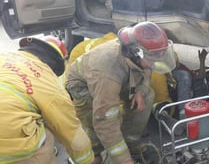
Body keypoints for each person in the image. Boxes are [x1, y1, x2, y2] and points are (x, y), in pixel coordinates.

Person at [66, 22, 176, 164]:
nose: (154, 63)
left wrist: (140, 91)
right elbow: (105, 122)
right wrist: (124, 160)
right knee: (104, 119)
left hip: (121, 75)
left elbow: (147, 68)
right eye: (152, 58)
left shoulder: (138, 55)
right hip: (83, 86)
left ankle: (131, 143)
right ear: (136, 54)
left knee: (147, 95)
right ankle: (93, 153)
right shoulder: (107, 73)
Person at [0, 36, 94, 164]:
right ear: (55, 64)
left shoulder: (5, 56)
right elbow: (73, 135)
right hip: (9, 142)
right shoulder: (49, 83)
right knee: (47, 136)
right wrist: (87, 160)